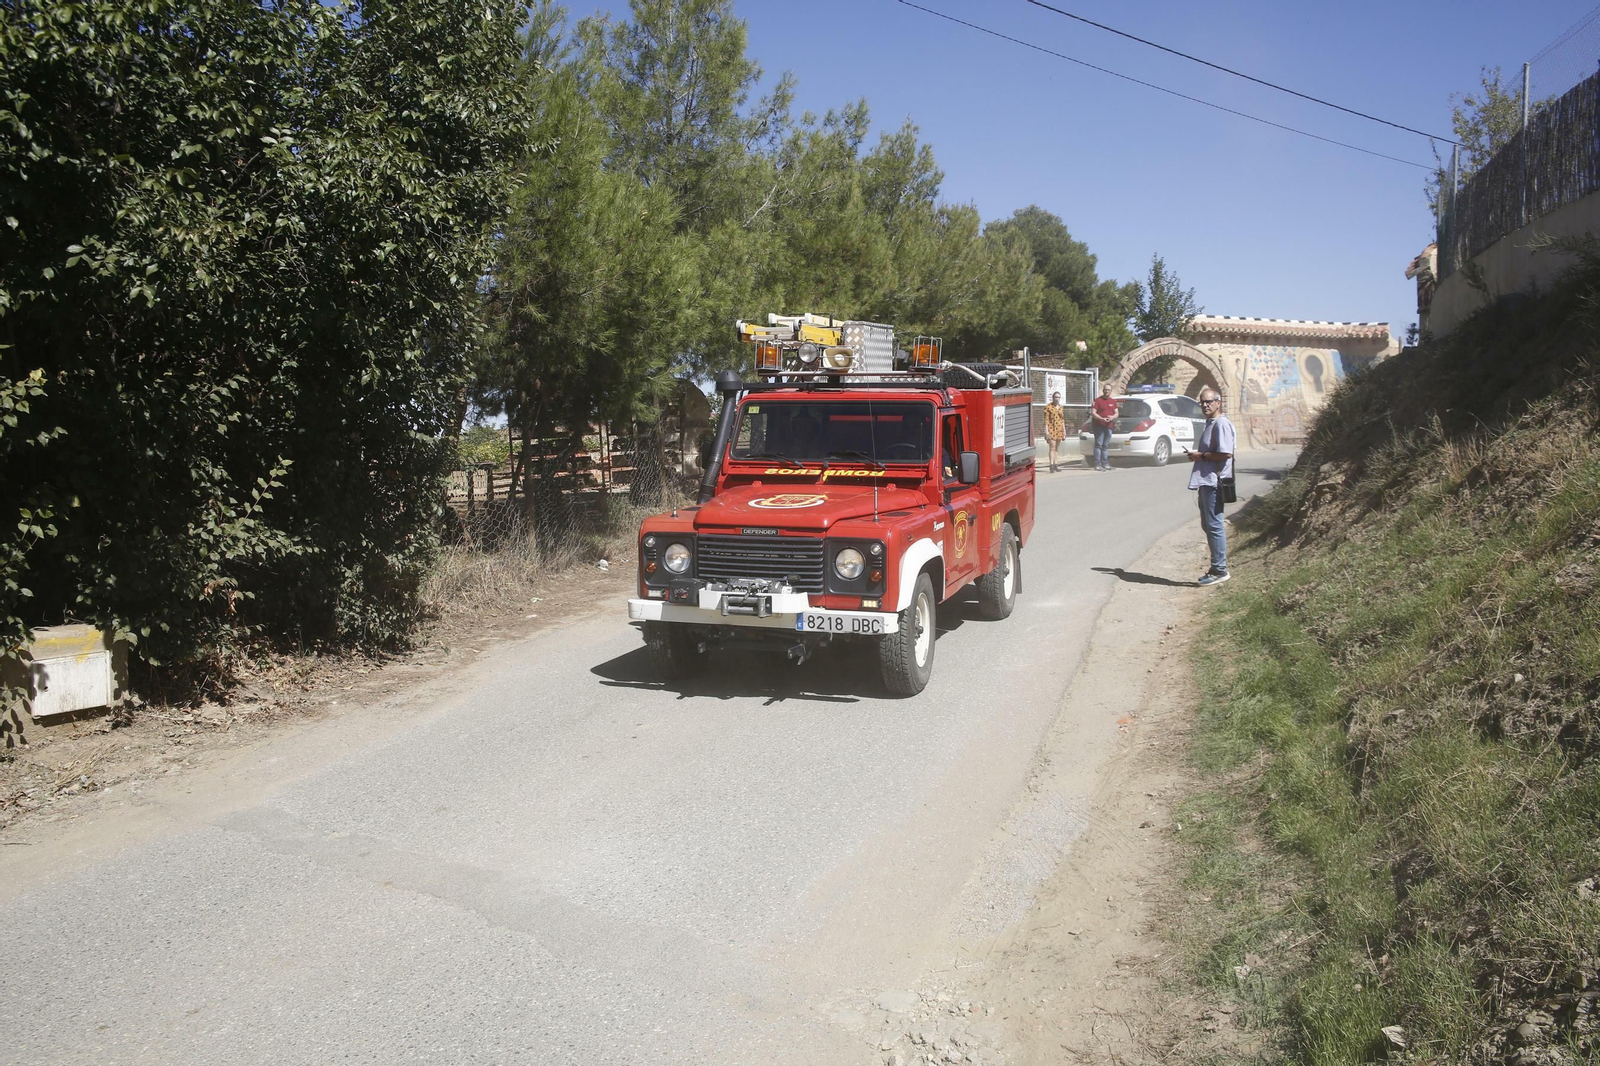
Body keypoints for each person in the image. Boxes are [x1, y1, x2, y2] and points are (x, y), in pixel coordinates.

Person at [1183, 388, 1235, 586]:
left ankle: (1220, 570)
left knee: (1214, 525)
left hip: (1215, 481)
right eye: (1202, 402)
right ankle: (1216, 567)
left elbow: (1225, 453)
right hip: (1206, 481)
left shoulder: (1221, 424)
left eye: (1209, 402)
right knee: (1209, 524)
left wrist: (1201, 456)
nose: (1205, 405)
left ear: (1218, 403)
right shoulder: (1211, 423)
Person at [1089, 384, 1118, 471]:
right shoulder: (1098, 400)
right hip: (1099, 426)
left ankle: (1105, 463)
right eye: (1105, 390)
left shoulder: (1113, 401)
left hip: (1109, 426)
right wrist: (1101, 419)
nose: (1107, 391)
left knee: (1105, 445)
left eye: (1108, 390)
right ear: (1103, 390)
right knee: (1099, 445)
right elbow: (1093, 413)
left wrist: (1112, 417)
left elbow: (1117, 413)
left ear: (1111, 391)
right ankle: (1097, 464)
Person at [1042, 392, 1067, 472]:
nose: (1057, 399)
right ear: (1053, 398)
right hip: (1051, 428)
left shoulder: (1060, 407)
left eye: (1059, 397)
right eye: (1056, 397)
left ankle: (1056, 464)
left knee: (1056, 448)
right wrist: (1046, 431)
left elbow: (1062, 420)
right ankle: (1051, 465)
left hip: (1059, 429)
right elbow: (1046, 420)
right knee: (1052, 447)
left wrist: (1064, 431)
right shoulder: (1048, 407)